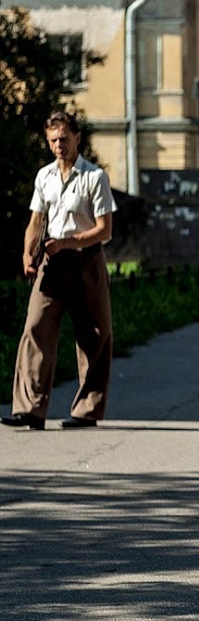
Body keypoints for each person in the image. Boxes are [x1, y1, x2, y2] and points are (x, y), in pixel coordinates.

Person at [1, 111, 115, 431]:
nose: (58, 145)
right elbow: (36, 220)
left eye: (64, 138)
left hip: (86, 261)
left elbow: (104, 230)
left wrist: (68, 242)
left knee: (95, 335)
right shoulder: (44, 176)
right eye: (53, 140)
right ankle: (30, 409)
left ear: (78, 137)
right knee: (35, 327)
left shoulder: (94, 177)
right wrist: (27, 253)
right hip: (51, 265)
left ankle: (86, 410)